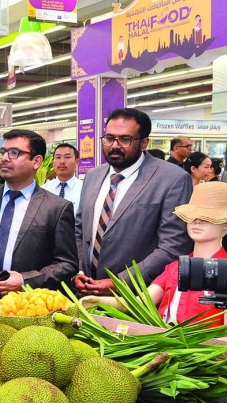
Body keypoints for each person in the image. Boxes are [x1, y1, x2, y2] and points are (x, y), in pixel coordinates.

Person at [81, 182, 227, 335]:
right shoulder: (175, 267)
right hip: (164, 353)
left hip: (204, 359)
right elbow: (140, 302)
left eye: (208, 217)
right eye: (192, 216)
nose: (197, 221)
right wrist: (98, 301)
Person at [74, 108, 192, 296]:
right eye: (109, 138)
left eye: (125, 139)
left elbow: (173, 246)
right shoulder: (93, 176)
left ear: (144, 143)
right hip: (86, 291)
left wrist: (119, 283)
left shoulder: (173, 179)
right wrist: (80, 270)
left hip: (137, 298)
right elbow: (80, 229)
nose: (114, 145)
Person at [0, 129, 78, 305]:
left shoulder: (56, 208)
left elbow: (66, 264)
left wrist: (24, 280)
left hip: (27, 307)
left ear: (36, 161)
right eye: (3, 152)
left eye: (14, 153)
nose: (4, 158)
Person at [42, 143, 83, 210]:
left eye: (67, 157)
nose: (62, 161)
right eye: (58, 157)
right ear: (53, 162)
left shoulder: (84, 190)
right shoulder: (44, 190)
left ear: (76, 162)